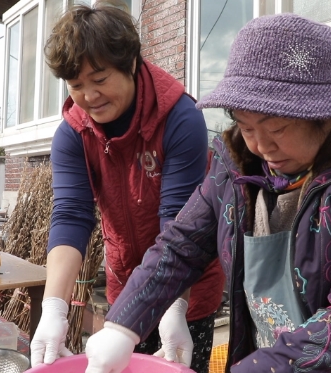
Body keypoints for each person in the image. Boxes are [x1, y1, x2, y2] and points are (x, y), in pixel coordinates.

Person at [84, 13, 331, 373]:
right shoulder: (234, 158)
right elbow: (181, 244)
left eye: (276, 128)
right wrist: (122, 325)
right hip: (282, 356)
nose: (259, 145)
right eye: (246, 124)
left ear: (324, 115)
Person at [30, 1, 225, 372]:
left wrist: (174, 306)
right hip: (125, 286)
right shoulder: (73, 133)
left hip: (188, 290)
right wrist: (53, 307)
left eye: (100, 79)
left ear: (132, 64)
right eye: (76, 85)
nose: (88, 97)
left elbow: (179, 223)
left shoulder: (180, 118)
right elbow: (71, 215)